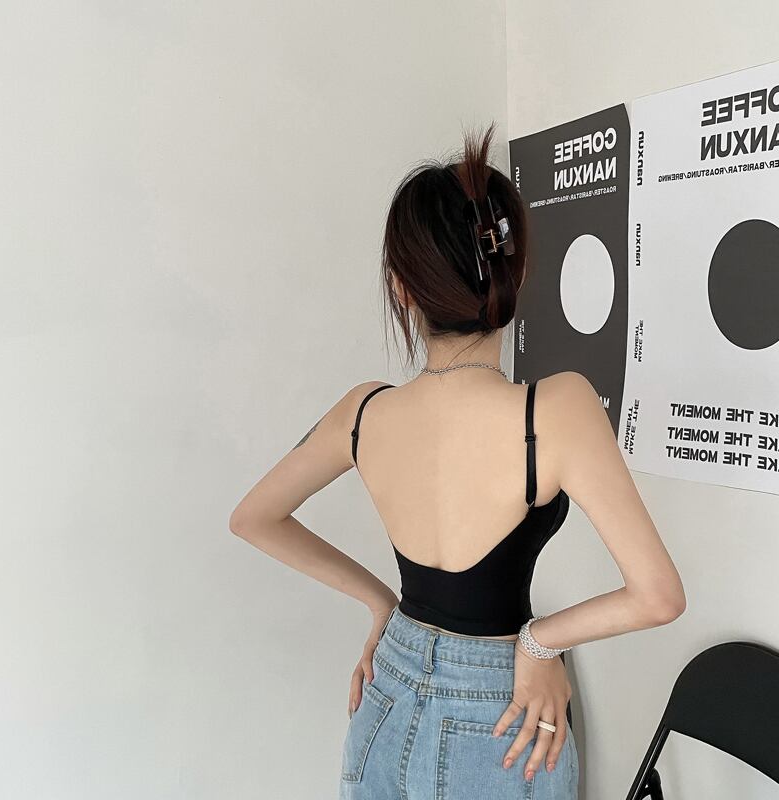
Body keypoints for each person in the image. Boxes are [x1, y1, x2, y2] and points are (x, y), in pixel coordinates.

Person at [228, 121, 686, 799]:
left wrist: (381, 604)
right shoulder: (557, 408)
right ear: (515, 271)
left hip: (385, 698)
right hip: (503, 716)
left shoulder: (363, 411)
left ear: (401, 288)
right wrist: (540, 642)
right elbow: (658, 596)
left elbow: (253, 518)